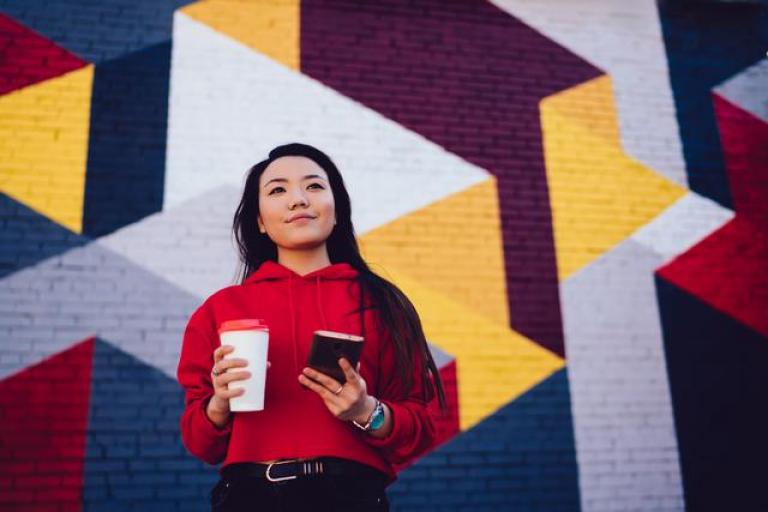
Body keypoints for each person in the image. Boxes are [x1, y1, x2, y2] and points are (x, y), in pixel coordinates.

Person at [177, 143, 447, 511]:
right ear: (259, 221)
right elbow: (200, 443)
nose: (298, 199)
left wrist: (367, 411)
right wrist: (220, 403)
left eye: (315, 186)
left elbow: (423, 427)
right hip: (249, 497)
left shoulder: (382, 303)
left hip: (352, 497)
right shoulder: (219, 310)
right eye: (277, 190)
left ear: (336, 210)